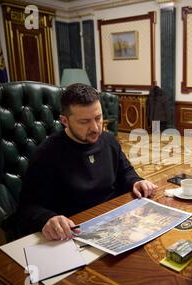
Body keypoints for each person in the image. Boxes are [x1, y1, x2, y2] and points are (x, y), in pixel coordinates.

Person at [15, 83, 158, 240]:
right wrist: (47, 219)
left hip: (115, 222)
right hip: (74, 231)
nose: (95, 128)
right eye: (84, 122)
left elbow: (125, 172)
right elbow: (27, 207)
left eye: (98, 118)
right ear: (65, 121)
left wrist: (135, 182)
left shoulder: (109, 141)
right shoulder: (46, 154)